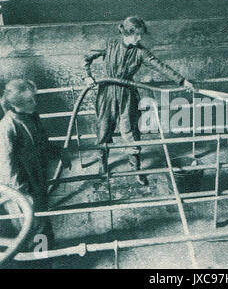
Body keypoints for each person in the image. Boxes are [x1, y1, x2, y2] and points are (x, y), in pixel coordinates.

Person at [83, 16, 193, 185]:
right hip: (106, 94)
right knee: (103, 130)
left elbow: (160, 66)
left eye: (141, 34)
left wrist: (182, 80)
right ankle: (102, 165)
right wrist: (88, 77)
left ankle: (136, 169)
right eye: (137, 35)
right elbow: (86, 58)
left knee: (130, 133)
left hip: (127, 95)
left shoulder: (141, 52)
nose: (140, 38)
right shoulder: (110, 44)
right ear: (127, 33)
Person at [0, 79, 71, 253]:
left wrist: (58, 152)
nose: (35, 103)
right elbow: (6, 165)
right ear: (16, 105)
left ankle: (46, 253)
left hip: (36, 178)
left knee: (42, 221)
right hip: (21, 187)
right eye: (30, 101)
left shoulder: (31, 116)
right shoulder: (7, 127)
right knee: (30, 227)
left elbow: (42, 143)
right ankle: (38, 259)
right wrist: (21, 194)